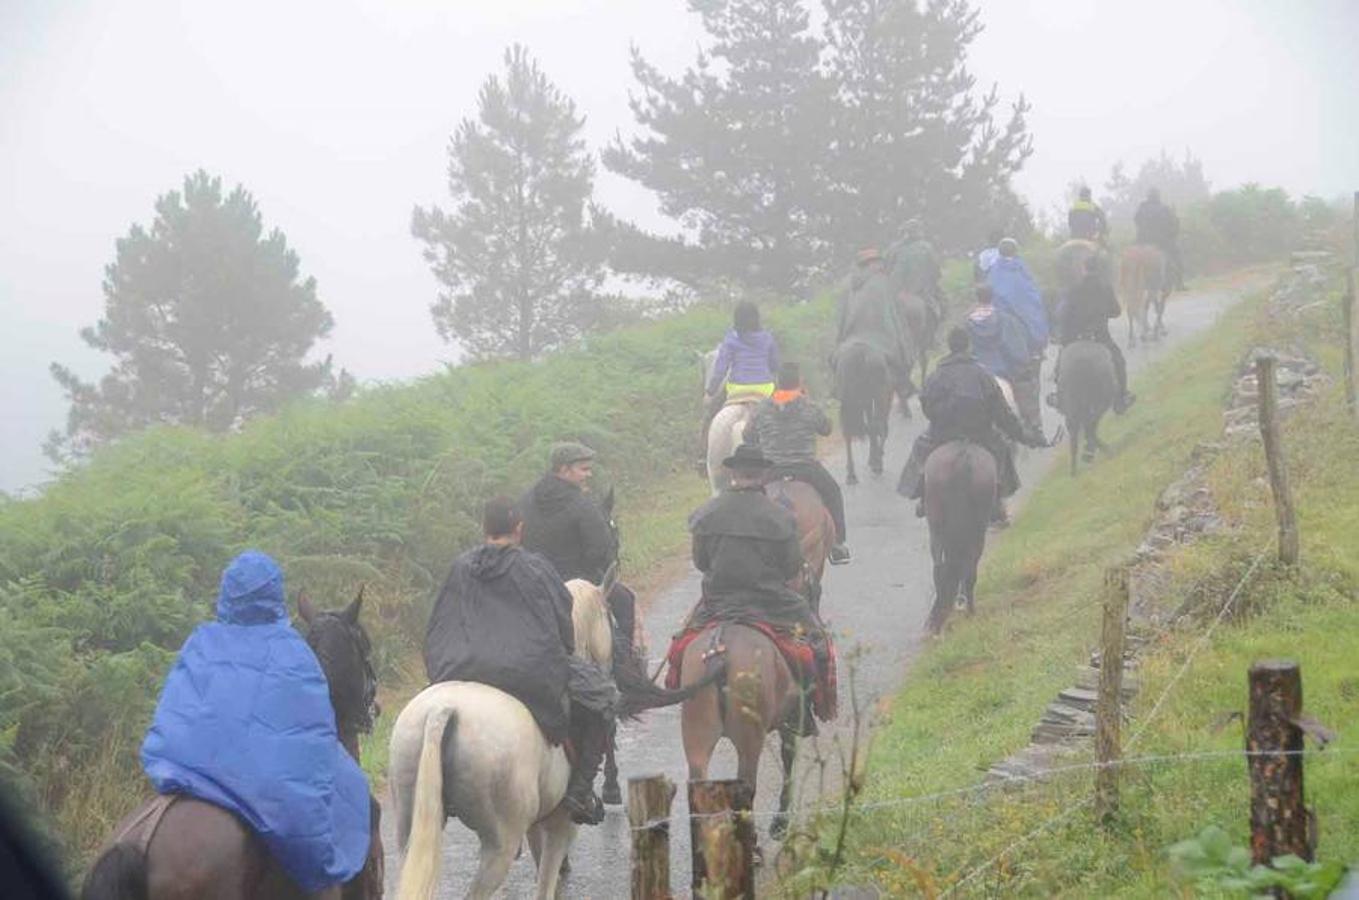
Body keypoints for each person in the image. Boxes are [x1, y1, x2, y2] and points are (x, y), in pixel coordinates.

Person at [140, 551, 370, 895]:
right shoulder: (294, 653)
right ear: (274, 596)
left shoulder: (200, 642)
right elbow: (312, 738)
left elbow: (174, 717)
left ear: (225, 595)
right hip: (266, 780)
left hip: (191, 770)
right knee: (351, 791)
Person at [424, 497, 616, 825]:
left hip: (460, 668)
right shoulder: (536, 567)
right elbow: (562, 623)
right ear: (520, 529)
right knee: (603, 697)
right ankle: (581, 792)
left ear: (483, 528)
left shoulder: (459, 567)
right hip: (525, 670)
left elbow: (438, 624)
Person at [687, 443, 829, 665]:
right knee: (819, 645)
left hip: (718, 601)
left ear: (733, 473)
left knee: (681, 643)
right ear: (764, 474)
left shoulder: (706, 513)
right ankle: (824, 697)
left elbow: (701, 562)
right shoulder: (781, 517)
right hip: (772, 602)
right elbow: (790, 569)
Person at [896, 328, 1043, 523]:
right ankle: (998, 499)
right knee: (1002, 449)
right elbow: (1002, 414)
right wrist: (1024, 435)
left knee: (920, 446)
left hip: (943, 434)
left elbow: (926, 404)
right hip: (980, 434)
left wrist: (939, 420)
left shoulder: (936, 375)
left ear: (949, 346)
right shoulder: (983, 375)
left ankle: (923, 496)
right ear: (968, 346)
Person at [520, 441, 636, 666]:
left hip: (535, 584)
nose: (588, 474)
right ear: (564, 470)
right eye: (583, 469)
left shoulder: (526, 499)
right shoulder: (582, 504)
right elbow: (601, 551)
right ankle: (627, 667)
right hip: (577, 584)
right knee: (625, 600)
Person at [743, 362, 850, 565]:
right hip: (806, 469)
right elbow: (826, 428)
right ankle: (837, 544)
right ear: (799, 382)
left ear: (777, 383)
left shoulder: (762, 407)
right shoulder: (808, 405)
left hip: (771, 470)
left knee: (746, 500)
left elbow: (747, 436)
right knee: (833, 492)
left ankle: (743, 545)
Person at [700, 301, 780, 467]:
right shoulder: (767, 338)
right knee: (786, 413)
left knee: (709, 415)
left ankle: (701, 456)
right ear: (757, 318)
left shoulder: (730, 339)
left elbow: (720, 369)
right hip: (765, 390)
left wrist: (710, 392)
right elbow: (774, 366)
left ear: (736, 319)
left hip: (737, 390)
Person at [1053, 256, 1136, 414]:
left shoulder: (1073, 289)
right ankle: (1122, 398)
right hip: (1100, 337)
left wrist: (1063, 336)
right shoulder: (1106, 288)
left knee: (1060, 365)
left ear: (1084, 268)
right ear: (1099, 269)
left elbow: (1063, 314)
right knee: (1119, 362)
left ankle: (1058, 396)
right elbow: (1116, 312)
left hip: (1074, 337)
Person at [835, 247, 916, 399]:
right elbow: (894, 316)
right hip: (881, 339)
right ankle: (904, 385)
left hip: (851, 340)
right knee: (904, 357)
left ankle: (836, 390)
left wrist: (839, 341)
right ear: (872, 264)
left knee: (836, 361)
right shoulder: (884, 282)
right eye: (877, 262)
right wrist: (901, 340)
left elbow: (840, 318)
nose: (879, 266)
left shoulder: (846, 285)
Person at [986, 238, 1050, 431]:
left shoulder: (992, 272)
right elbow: (1033, 299)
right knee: (1031, 378)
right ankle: (1034, 420)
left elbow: (989, 298)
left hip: (1001, 329)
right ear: (1015, 250)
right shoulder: (1022, 270)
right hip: (1024, 330)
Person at [886, 218, 946, 330]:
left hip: (894, 291)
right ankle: (935, 337)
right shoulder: (926, 247)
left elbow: (886, 269)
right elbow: (936, 272)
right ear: (918, 231)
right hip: (919, 291)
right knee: (941, 305)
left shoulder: (893, 248)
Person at [965, 283, 1029, 386]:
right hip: (1001, 370)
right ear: (992, 296)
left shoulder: (967, 321)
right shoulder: (1005, 319)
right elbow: (1013, 347)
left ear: (977, 298)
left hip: (976, 370)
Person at [1134, 187, 1184, 289]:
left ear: (1148, 197)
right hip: (1162, 242)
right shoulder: (1165, 209)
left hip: (1142, 242)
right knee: (1177, 257)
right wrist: (1172, 234)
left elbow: (1136, 221)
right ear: (1158, 196)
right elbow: (1173, 224)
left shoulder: (1141, 208)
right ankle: (1179, 283)